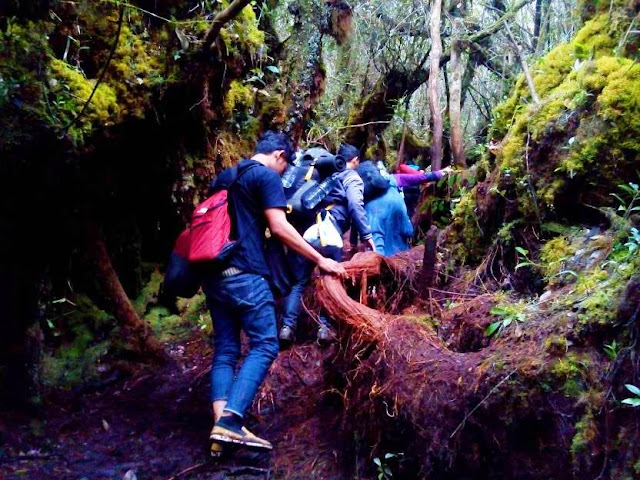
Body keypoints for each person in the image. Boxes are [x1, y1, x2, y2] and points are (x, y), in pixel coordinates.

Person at [205, 131, 347, 450]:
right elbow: (280, 227)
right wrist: (320, 259)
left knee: (227, 349)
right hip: (245, 272)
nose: (285, 172)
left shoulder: (226, 176)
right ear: (279, 155)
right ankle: (231, 421)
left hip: (214, 274)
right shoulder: (265, 176)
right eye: (286, 165)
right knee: (266, 343)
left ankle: (220, 431)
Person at [278, 143, 375, 345]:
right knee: (330, 278)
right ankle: (325, 328)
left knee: (299, 282)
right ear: (355, 161)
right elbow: (356, 205)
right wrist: (367, 236)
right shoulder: (351, 177)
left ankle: (287, 328)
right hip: (329, 232)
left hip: (306, 233)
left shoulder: (323, 173)